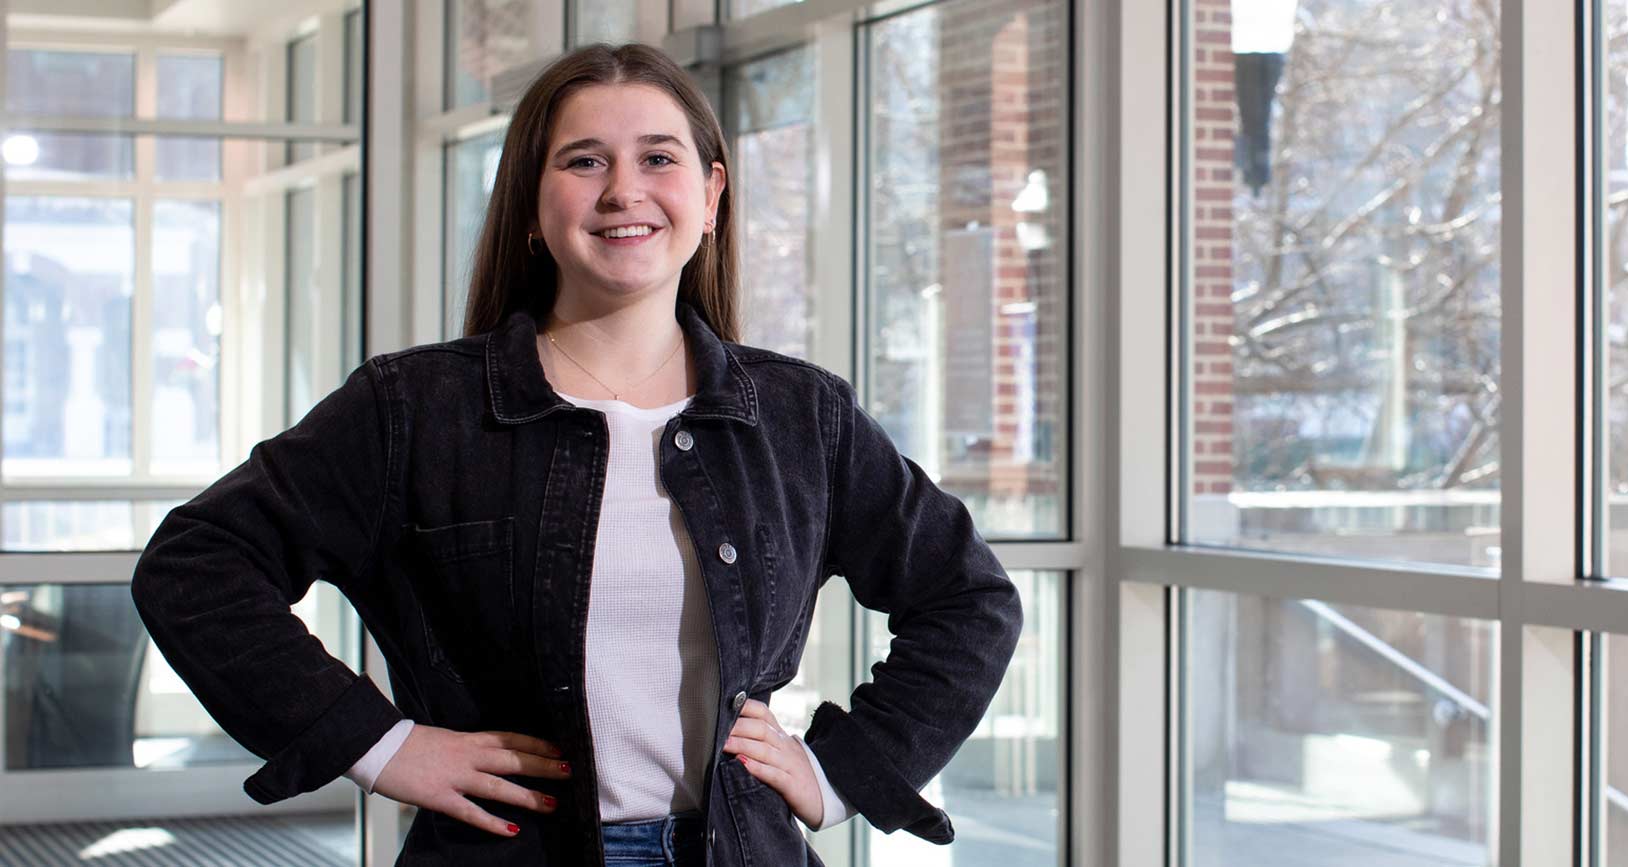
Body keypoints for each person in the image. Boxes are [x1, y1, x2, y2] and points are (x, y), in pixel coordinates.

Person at [131, 42, 1022, 867]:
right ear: (530, 204)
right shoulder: (417, 408)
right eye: (584, 159)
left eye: (659, 159)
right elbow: (197, 566)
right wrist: (380, 745)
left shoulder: (798, 415)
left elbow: (968, 599)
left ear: (711, 198)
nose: (623, 190)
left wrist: (837, 773)